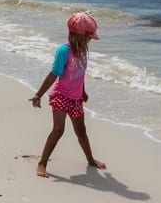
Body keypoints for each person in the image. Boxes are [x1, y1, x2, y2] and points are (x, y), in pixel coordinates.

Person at [30, 12, 106, 178]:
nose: (91, 40)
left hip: (76, 97)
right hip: (61, 95)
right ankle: (42, 162)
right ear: (80, 35)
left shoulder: (83, 50)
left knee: (81, 130)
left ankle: (90, 159)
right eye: (89, 37)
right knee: (58, 130)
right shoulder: (63, 51)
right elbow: (53, 74)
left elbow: (81, 73)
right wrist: (39, 94)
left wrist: (83, 91)